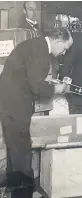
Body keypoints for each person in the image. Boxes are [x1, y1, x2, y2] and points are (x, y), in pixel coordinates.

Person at [0, 27, 73, 198]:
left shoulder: (36, 45)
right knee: (22, 156)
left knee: (15, 155)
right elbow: (36, 87)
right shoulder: (41, 52)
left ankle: (16, 193)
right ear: (57, 40)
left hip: (10, 106)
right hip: (15, 108)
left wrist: (48, 83)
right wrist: (58, 88)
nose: (63, 53)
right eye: (64, 48)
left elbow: (28, 78)